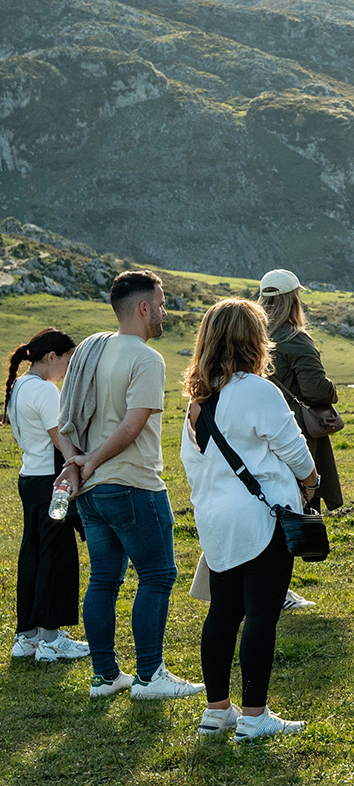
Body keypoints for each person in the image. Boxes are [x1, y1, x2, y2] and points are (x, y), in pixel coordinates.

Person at [51, 270, 203, 700]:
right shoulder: (146, 358)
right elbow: (134, 425)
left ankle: (104, 676)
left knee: (103, 580)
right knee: (157, 575)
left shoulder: (90, 352)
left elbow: (62, 425)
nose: (165, 311)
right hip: (133, 483)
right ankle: (150, 676)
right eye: (161, 302)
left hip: (93, 492)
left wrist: (77, 465)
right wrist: (92, 460)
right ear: (143, 308)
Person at [180, 299, 321, 741]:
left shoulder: (196, 403)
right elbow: (296, 450)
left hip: (216, 521)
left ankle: (218, 710)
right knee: (262, 614)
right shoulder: (258, 390)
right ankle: (256, 717)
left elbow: (193, 463)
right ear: (254, 340)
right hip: (263, 520)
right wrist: (311, 482)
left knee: (223, 612)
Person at [259, 269, 337, 612]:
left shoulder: (251, 335)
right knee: (292, 505)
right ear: (294, 299)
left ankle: (263, 583)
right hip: (292, 433)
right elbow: (317, 389)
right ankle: (279, 588)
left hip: (253, 432)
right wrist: (332, 389)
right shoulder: (295, 339)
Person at [7, 328, 87, 663]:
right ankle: (51, 639)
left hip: (29, 479)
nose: (68, 369)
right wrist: (80, 464)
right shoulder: (45, 391)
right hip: (52, 484)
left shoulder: (19, 386)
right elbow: (62, 441)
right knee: (58, 555)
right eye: (67, 361)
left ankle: (27, 636)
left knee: (34, 554)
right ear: (51, 357)